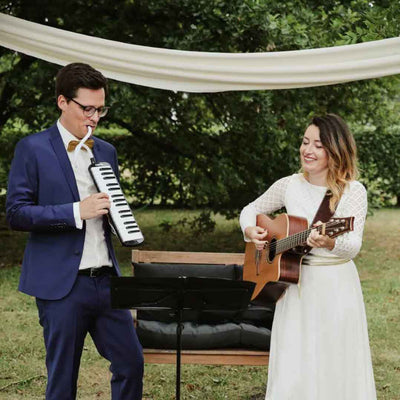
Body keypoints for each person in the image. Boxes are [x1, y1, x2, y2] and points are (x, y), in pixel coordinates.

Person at [6, 63, 143, 400]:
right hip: (61, 285)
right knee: (63, 379)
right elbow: (17, 213)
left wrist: (121, 219)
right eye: (87, 108)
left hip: (107, 280)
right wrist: (75, 212)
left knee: (131, 363)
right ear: (63, 102)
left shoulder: (106, 151)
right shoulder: (32, 148)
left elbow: (108, 207)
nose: (94, 118)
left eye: (101, 109)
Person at [240, 114, 376, 400]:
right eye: (305, 142)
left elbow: (352, 244)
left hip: (335, 285)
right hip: (294, 287)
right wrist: (250, 229)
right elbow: (250, 209)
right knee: (295, 361)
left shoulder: (353, 192)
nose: (307, 150)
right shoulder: (289, 184)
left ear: (335, 150)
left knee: (334, 359)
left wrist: (328, 242)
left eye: (318, 144)